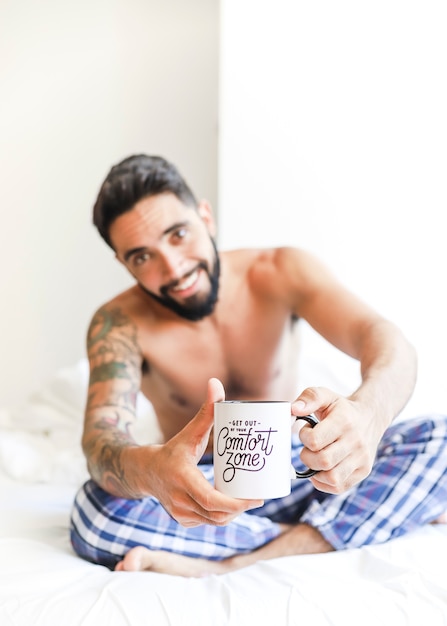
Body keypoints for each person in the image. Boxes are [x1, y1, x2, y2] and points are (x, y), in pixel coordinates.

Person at [70, 154, 447, 577]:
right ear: (124, 263)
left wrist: (368, 414)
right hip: (199, 490)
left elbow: (385, 338)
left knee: (444, 438)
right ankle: (358, 521)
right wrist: (154, 472)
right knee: (94, 515)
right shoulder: (118, 323)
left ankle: (235, 561)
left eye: (178, 234)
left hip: (298, 474)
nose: (173, 268)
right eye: (142, 257)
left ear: (205, 217)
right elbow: (101, 441)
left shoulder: (281, 271)